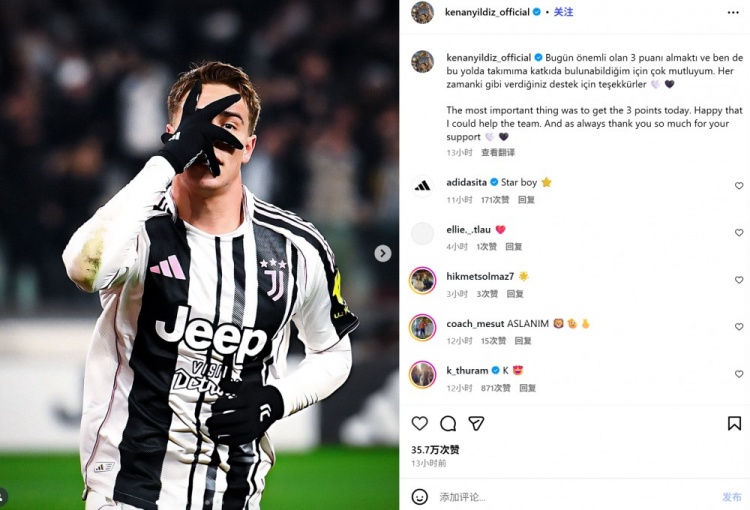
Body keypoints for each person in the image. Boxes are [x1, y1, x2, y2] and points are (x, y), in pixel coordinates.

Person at [62, 61, 359, 510]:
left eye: (228, 126)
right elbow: (83, 268)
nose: (210, 138)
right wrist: (167, 162)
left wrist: (277, 399)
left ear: (249, 147)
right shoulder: (137, 229)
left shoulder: (298, 248)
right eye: (196, 124)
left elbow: (333, 353)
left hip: (235, 494)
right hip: (126, 492)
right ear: (172, 135)